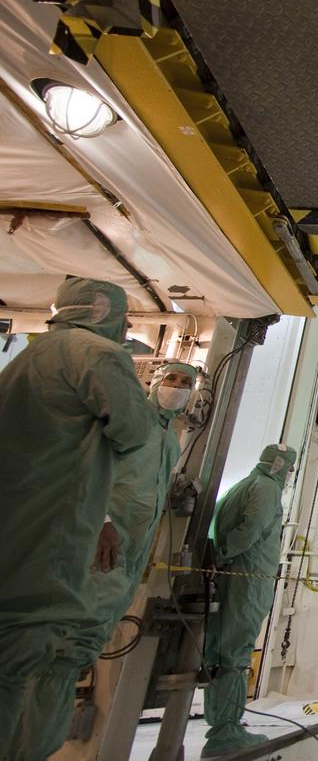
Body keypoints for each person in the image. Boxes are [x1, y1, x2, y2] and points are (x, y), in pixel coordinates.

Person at [0, 277, 156, 756]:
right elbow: (133, 429)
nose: (127, 324)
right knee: (28, 657)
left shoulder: (27, 357)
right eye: (123, 314)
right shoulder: (98, 355)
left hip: (19, 520)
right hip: (55, 528)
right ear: (98, 310)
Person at [19, 362, 199, 757]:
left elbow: (145, 487)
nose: (177, 388)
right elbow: (87, 469)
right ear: (154, 382)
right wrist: (100, 521)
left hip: (128, 558)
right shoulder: (129, 421)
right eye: (172, 380)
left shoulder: (170, 438)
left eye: (186, 383)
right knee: (66, 649)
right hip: (101, 547)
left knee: (85, 646)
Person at [203, 444, 297, 758]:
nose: (289, 474)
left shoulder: (243, 484)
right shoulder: (267, 489)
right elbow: (251, 529)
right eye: (289, 468)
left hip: (234, 577)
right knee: (235, 652)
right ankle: (225, 731)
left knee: (223, 651)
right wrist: (225, 554)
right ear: (280, 465)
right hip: (248, 578)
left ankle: (223, 726)